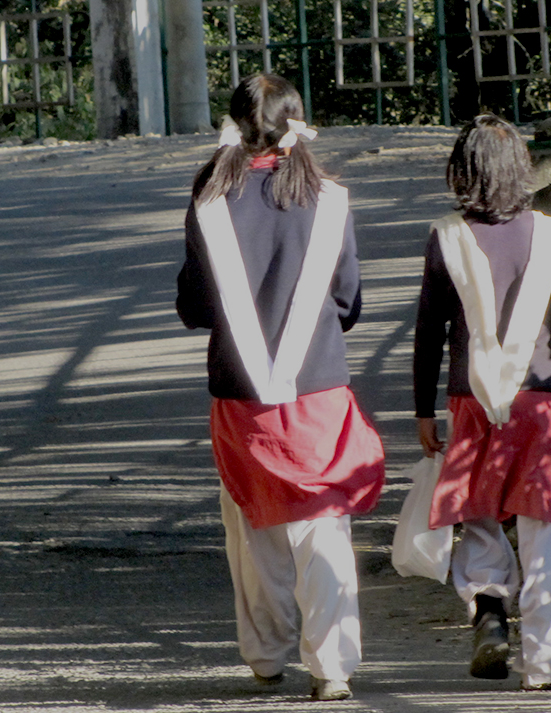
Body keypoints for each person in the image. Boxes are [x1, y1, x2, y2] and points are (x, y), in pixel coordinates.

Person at [176, 73, 386, 702]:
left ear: (235, 125)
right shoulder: (330, 199)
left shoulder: (210, 198)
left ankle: (266, 657)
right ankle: (332, 668)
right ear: (296, 123)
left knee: (253, 529)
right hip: (318, 389)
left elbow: (194, 306)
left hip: (240, 394)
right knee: (324, 528)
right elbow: (347, 302)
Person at [412, 114, 551, 691]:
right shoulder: (550, 235)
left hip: (470, 400)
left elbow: (429, 330)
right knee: (547, 527)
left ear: (463, 170)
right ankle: (547, 664)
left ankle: (488, 610)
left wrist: (422, 410)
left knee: (478, 515)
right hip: (537, 399)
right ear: (520, 170)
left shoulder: (447, 236)